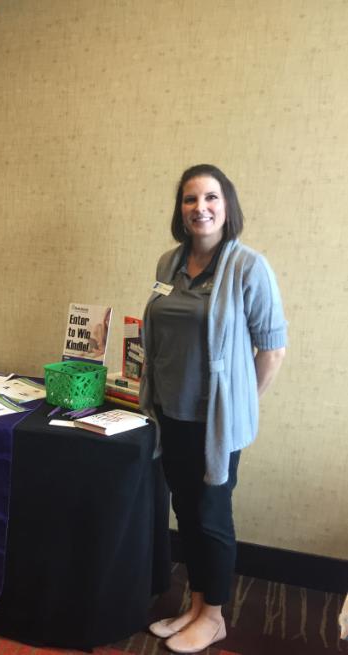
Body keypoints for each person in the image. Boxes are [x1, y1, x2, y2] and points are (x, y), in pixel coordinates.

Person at [140, 164, 287, 653]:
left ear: (227, 207)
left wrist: (243, 406)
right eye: (189, 200)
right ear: (180, 211)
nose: (199, 208)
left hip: (215, 425)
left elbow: (273, 350)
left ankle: (216, 617)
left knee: (211, 515)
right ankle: (197, 604)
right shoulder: (169, 263)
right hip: (171, 414)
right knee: (186, 509)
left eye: (210, 198)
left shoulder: (248, 266)